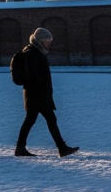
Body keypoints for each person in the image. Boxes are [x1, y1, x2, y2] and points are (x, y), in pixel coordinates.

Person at [15, 27, 78, 158]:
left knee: (32, 120)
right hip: (38, 95)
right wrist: (42, 90)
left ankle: (20, 148)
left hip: (37, 94)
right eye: (47, 40)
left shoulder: (35, 52)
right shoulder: (33, 54)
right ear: (40, 40)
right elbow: (33, 75)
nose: (49, 43)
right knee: (48, 119)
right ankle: (62, 148)